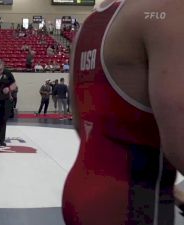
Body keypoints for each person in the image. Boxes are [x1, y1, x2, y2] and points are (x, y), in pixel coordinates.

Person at [63, 0, 184, 225]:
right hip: (133, 206)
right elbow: (180, 144)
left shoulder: (90, 23)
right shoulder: (167, 9)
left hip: (83, 192)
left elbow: (82, 123)